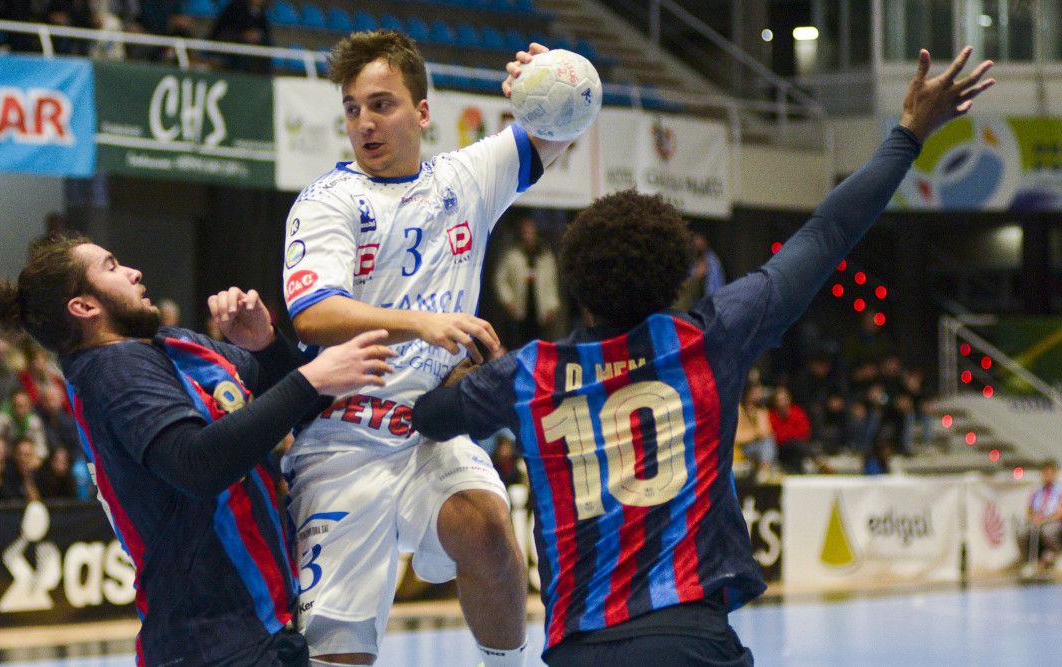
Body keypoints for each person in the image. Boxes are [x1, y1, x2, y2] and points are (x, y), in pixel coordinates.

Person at [411, 46, 993, 665]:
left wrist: (470, 367)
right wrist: (907, 135)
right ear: (675, 281)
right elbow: (827, 231)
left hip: (581, 648)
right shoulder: (712, 335)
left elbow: (430, 416)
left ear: (576, 286)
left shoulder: (529, 374)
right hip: (694, 643)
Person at [280, 30, 576, 666]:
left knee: (491, 528)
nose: (365, 122)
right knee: (338, 656)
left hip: (427, 435)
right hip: (341, 443)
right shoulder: (329, 201)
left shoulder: (466, 178)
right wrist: (420, 323)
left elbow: (560, 124)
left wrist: (545, 82)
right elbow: (314, 313)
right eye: (353, 109)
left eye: (382, 104)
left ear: (421, 112)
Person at [0, 232, 394, 666]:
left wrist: (265, 344)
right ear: (84, 307)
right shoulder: (110, 368)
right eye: (112, 266)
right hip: (208, 644)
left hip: (261, 626)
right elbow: (196, 465)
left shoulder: (174, 346)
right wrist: (312, 378)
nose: (134, 271)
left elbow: (295, 400)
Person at [495, 215, 562, 348]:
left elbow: (552, 283)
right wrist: (508, 300)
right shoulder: (512, 256)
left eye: (531, 232)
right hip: (519, 309)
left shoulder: (545, 256)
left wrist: (552, 305)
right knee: (517, 344)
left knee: (540, 345)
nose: (528, 236)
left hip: (540, 310)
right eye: (525, 232)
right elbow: (500, 280)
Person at [1020, 459, 1062, 570]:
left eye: (1050, 473)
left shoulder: (1060, 491)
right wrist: (1033, 518)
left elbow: (1060, 513)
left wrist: (1044, 521)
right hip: (1037, 521)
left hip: (1054, 523)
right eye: (1045, 473)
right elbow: (1029, 509)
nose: (1047, 476)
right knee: (1022, 532)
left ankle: (1054, 557)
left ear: (1055, 474)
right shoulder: (1036, 490)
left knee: (1048, 531)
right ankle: (1028, 562)